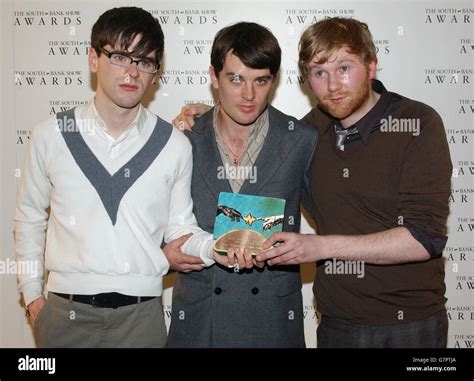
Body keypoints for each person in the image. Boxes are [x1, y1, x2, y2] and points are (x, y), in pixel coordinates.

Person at [13, 6, 214, 348]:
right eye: (121, 56)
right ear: (93, 58)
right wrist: (33, 297)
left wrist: (221, 247)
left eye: (145, 61)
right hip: (63, 315)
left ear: (156, 73)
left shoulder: (174, 145)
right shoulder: (50, 134)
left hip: (142, 319)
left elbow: (181, 230)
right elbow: (29, 217)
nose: (132, 72)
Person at [257, 17, 452, 348]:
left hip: (410, 327)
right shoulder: (308, 131)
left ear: (372, 66)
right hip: (336, 324)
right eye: (320, 73)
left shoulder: (418, 124)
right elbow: (257, 140)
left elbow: (423, 239)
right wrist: (210, 116)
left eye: (344, 68)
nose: (333, 85)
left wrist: (320, 247)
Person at [165, 22, 317, 348]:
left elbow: (336, 221)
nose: (248, 95)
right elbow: (151, 226)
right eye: (236, 79)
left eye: (260, 80)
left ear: (273, 82)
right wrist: (164, 256)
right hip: (198, 322)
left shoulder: (301, 140)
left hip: (272, 322)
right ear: (213, 76)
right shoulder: (181, 139)